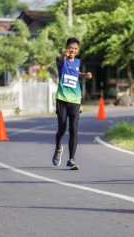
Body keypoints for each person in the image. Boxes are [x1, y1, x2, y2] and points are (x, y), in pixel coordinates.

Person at [52, 37, 93, 170]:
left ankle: (71, 160)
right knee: (62, 128)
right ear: (66, 48)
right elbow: (61, 60)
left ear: (78, 50)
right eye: (71, 47)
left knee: (74, 130)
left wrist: (84, 75)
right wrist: (63, 55)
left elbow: (74, 72)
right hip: (62, 99)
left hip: (75, 99)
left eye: (75, 48)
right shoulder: (61, 60)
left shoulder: (77, 61)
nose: (73, 50)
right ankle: (58, 148)